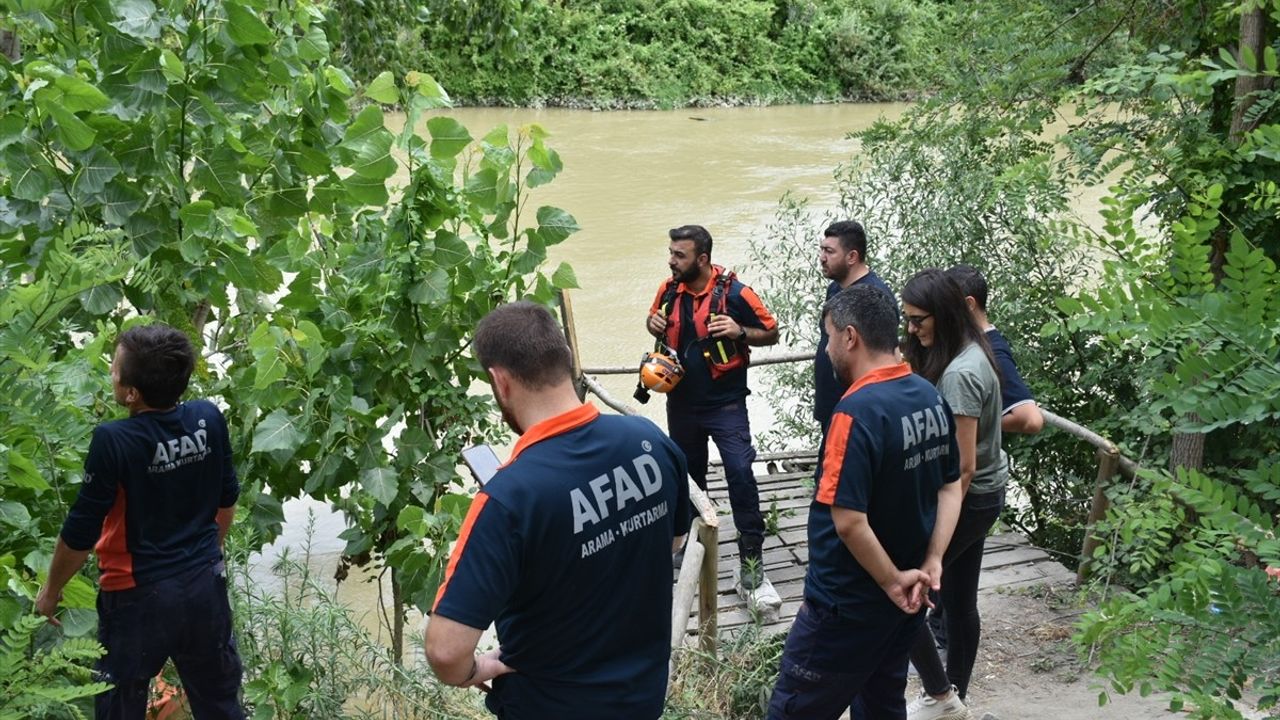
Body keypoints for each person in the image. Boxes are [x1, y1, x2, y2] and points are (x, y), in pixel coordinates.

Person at [426, 301, 691, 720]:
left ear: (500, 382)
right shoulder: (650, 440)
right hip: (642, 697)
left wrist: (478, 668)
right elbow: (672, 541)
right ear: (564, 361)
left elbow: (445, 651)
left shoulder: (508, 499)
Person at [766, 284, 962, 720]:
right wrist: (932, 561)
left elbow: (849, 521)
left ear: (850, 337)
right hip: (907, 599)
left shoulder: (854, 413)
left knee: (793, 710)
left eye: (829, 336)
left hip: (846, 606)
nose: (828, 347)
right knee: (881, 704)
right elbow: (951, 486)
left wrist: (893, 581)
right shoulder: (929, 396)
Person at [35, 324, 244, 719]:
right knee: (220, 704)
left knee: (119, 705)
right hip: (204, 587)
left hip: (137, 598)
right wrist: (204, 557)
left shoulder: (114, 441)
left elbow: (81, 531)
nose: (111, 372)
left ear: (131, 393)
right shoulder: (208, 418)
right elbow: (227, 501)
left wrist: (50, 590)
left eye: (115, 368)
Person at [644, 224, 779, 593]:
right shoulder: (668, 290)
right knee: (689, 478)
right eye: (671, 253)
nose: (671, 261)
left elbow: (771, 331)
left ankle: (751, 553)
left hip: (727, 404)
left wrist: (739, 331)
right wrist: (650, 322)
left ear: (702, 259)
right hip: (682, 404)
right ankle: (689, 545)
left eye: (679, 255)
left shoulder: (737, 293)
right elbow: (655, 322)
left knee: (739, 472)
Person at [901, 269, 1009, 720]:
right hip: (988, 492)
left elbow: (961, 468)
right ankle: (954, 699)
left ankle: (941, 695)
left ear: (943, 315)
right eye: (906, 318)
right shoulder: (968, 349)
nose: (911, 328)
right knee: (961, 603)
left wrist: (936, 548)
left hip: (971, 497)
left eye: (918, 319)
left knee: (906, 594)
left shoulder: (961, 374)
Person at [814, 220, 898, 434]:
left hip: (858, 413)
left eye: (830, 251)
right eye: (822, 249)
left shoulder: (875, 298)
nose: (822, 258)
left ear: (852, 256)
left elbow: (883, 359)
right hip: (832, 406)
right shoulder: (835, 289)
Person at [945, 264, 1044, 434]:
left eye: (946, 304)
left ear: (969, 304)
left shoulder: (992, 351)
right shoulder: (974, 342)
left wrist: (969, 421)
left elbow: (1031, 419)